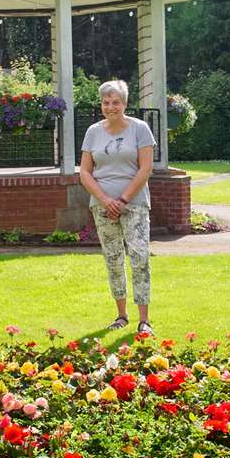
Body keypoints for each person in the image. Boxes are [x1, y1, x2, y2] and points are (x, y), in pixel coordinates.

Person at [79, 80, 157, 338]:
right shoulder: (93, 132)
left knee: (139, 257)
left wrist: (122, 200)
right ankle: (121, 315)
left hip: (133, 205)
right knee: (113, 259)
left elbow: (145, 169)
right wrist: (104, 200)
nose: (110, 107)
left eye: (116, 102)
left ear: (124, 104)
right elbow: (85, 173)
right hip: (102, 206)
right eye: (106, 102)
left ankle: (144, 320)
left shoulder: (140, 129)